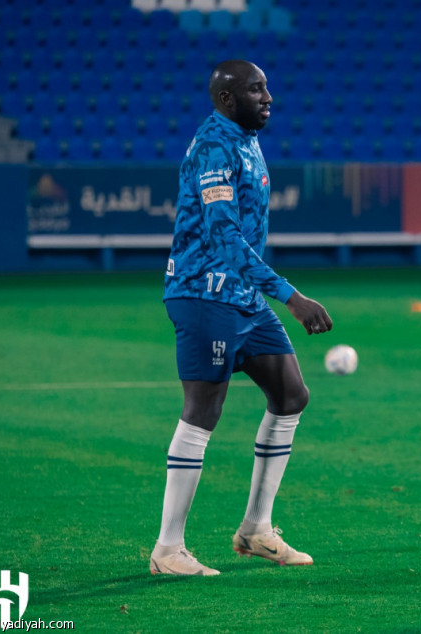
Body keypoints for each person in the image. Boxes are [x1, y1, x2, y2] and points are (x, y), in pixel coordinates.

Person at [150, 60, 333, 576]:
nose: (268, 97)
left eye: (268, 87)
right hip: (204, 293)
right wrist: (291, 297)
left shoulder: (247, 139)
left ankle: (256, 529)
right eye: (256, 89)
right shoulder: (214, 146)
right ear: (227, 99)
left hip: (243, 297)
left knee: (291, 394)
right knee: (203, 410)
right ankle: (168, 549)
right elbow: (223, 237)